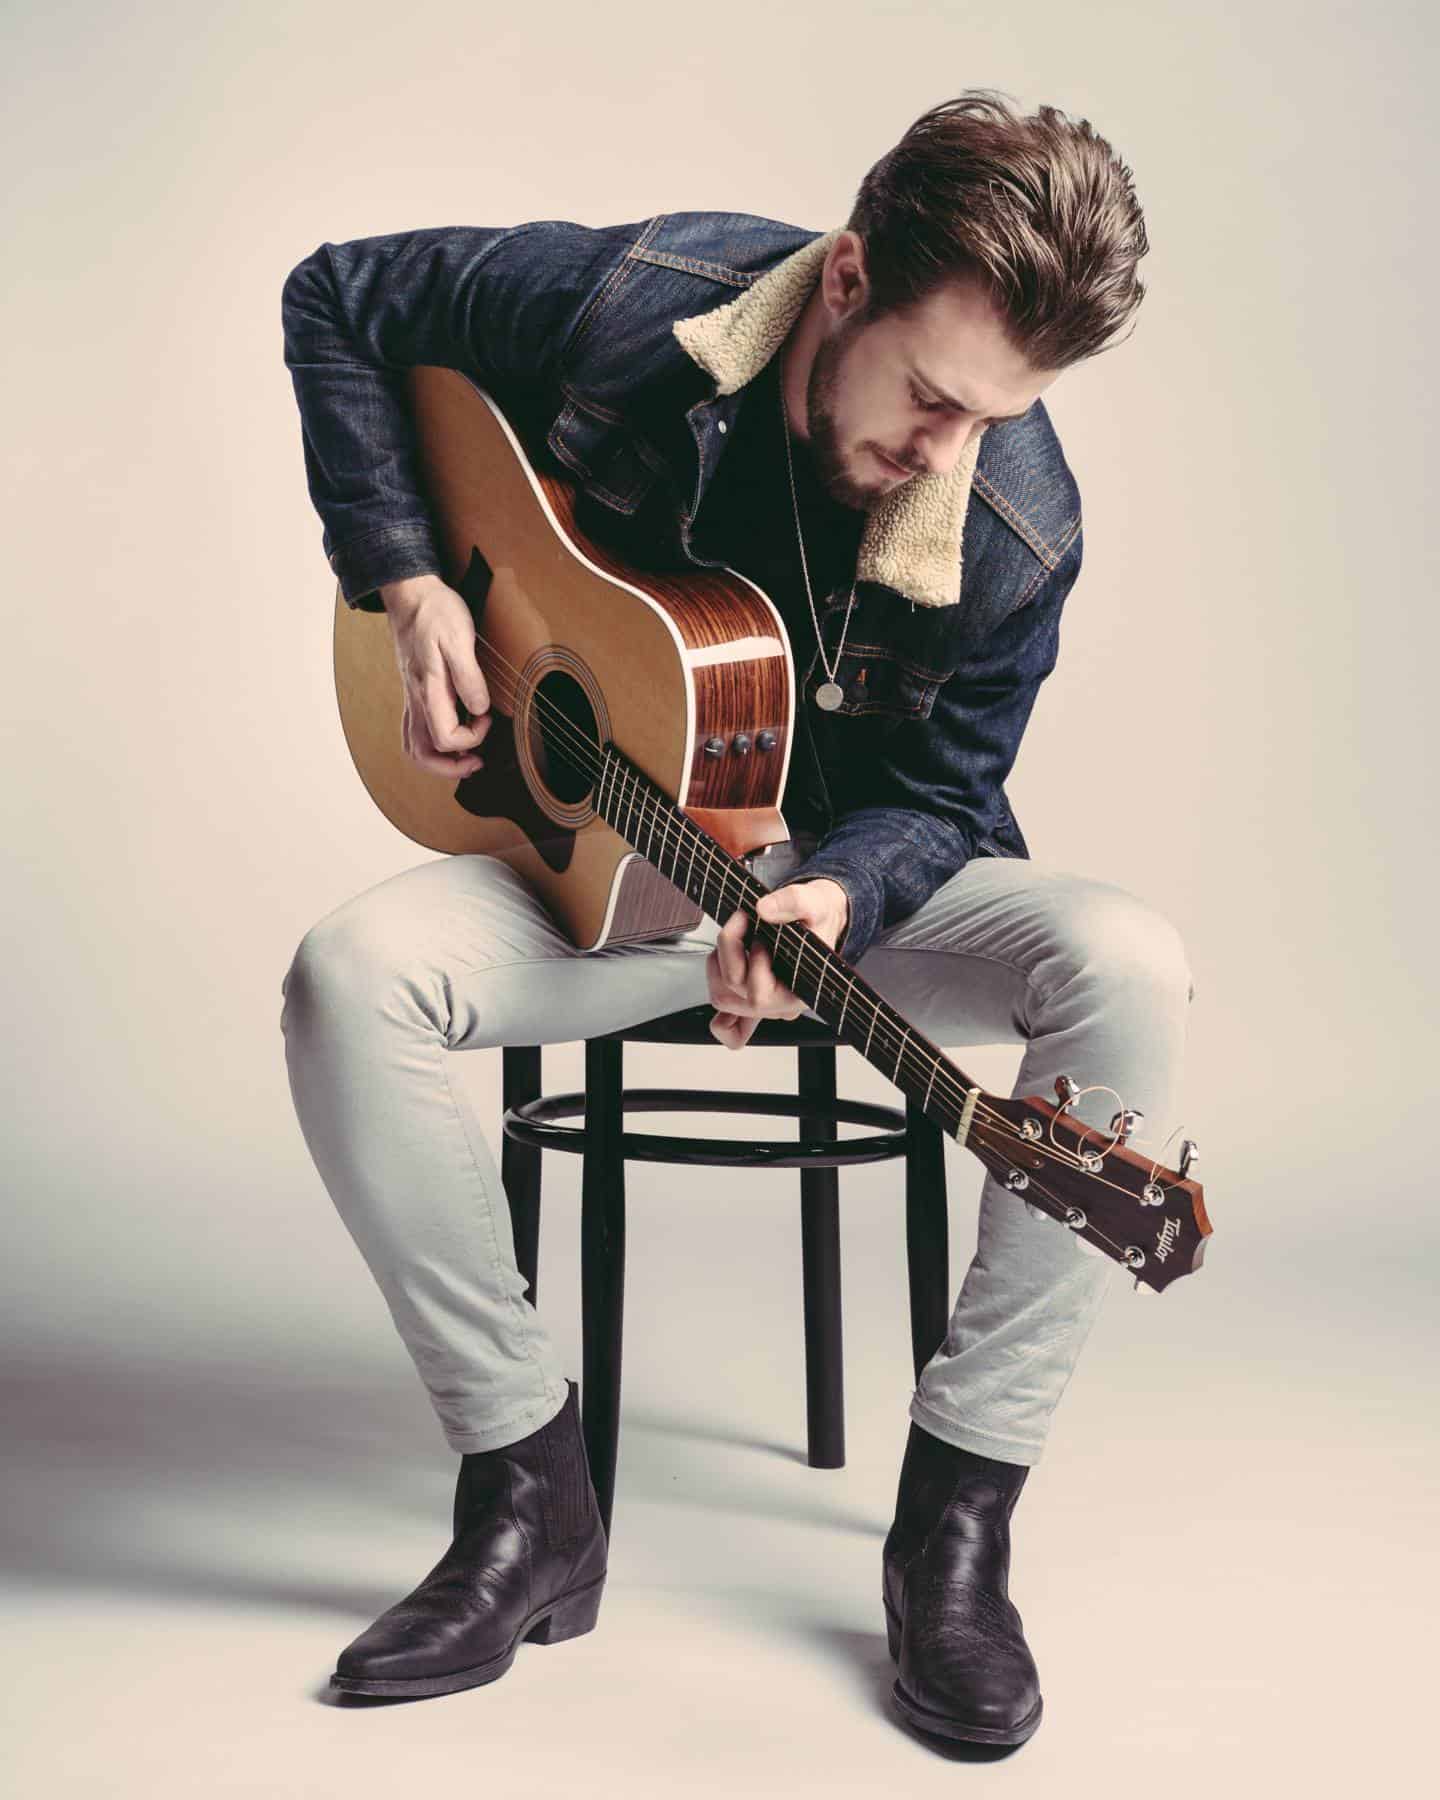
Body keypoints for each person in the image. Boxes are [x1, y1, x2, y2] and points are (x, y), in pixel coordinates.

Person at [279, 90, 1193, 1745]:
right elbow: (338, 296)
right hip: (596, 882)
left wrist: (835, 889)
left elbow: (945, 800)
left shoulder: (1015, 530)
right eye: (930, 398)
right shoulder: (633, 303)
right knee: (347, 980)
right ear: (843, 279)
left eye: (996, 416)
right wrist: (408, 581)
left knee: (1129, 962)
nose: (947, 452)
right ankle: (526, 1489)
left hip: (840, 904)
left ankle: (957, 1528)